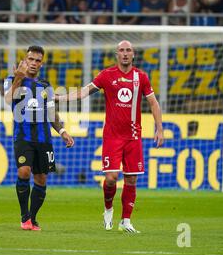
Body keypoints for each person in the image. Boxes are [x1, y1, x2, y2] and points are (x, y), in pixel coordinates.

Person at [56, 40, 164, 233]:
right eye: (121, 50)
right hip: (113, 137)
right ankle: (108, 210)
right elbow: (83, 93)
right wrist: (59, 98)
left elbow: (153, 103)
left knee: (131, 180)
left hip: (133, 137)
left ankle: (126, 220)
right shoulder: (107, 75)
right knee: (112, 178)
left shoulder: (141, 77)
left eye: (128, 50)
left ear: (133, 54)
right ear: (116, 54)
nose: (125, 53)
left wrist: (160, 128)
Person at [4, 46, 74, 231]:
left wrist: (63, 131)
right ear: (24, 60)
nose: (33, 63)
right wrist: (19, 76)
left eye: (37, 60)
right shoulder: (12, 80)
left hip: (44, 139)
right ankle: (24, 216)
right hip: (23, 136)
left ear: (41, 64)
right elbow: (8, 99)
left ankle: (33, 219)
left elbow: (52, 113)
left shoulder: (45, 86)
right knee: (23, 172)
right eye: (30, 59)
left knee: (41, 179)